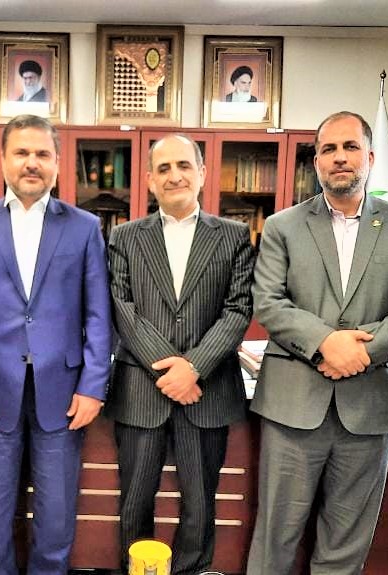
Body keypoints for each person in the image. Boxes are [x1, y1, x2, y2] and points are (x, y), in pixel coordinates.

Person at [246, 111, 388, 574]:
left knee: (347, 538)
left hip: (370, 404)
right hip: (294, 404)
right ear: (316, 162)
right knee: (275, 535)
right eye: (328, 149)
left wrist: (360, 352)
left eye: (350, 147)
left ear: (369, 157)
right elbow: (268, 302)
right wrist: (326, 343)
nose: (339, 157)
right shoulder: (283, 226)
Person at [0, 114, 112, 575]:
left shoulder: (84, 228)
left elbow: (99, 314)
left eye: (42, 154)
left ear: (57, 162)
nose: (31, 162)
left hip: (64, 393)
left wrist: (93, 386)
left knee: (56, 516)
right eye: (21, 152)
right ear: (2, 160)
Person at [104, 134, 254, 574]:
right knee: (134, 500)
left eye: (184, 165)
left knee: (200, 502)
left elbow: (238, 308)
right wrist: (170, 370)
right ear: (149, 180)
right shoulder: (124, 237)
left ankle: (191, 570)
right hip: (140, 390)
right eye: (164, 168)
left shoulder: (233, 236)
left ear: (202, 173)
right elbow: (122, 308)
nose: (175, 176)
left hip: (207, 391)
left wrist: (194, 368)